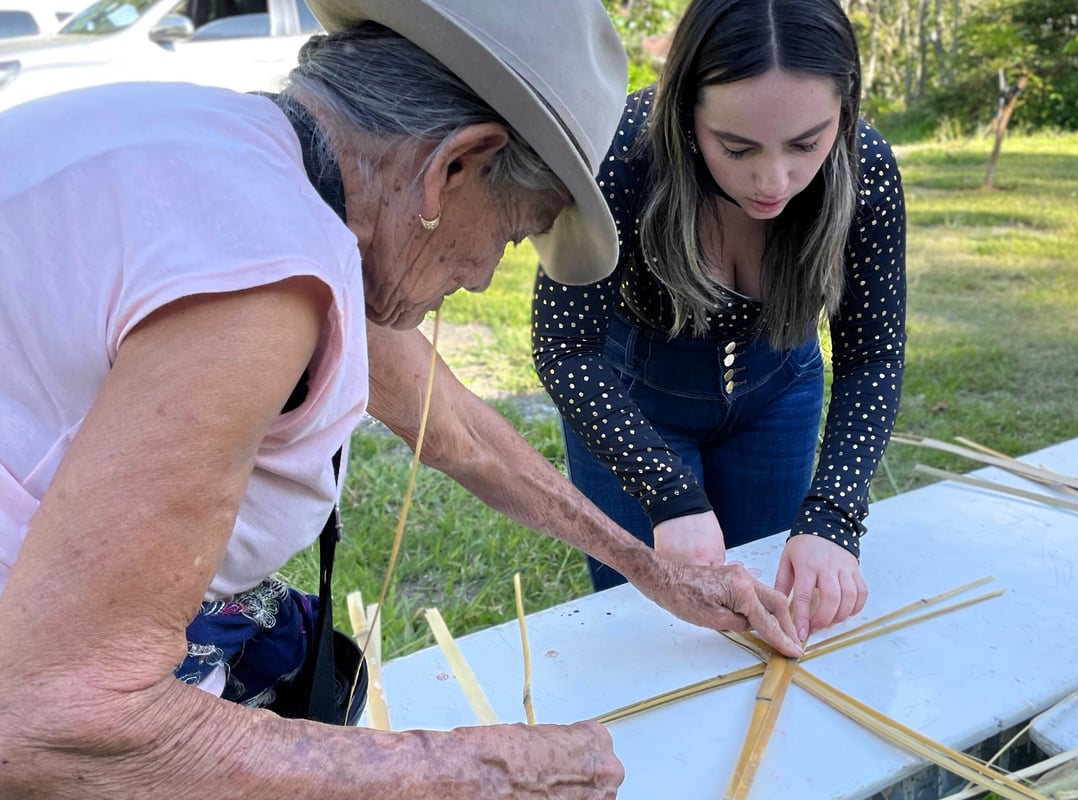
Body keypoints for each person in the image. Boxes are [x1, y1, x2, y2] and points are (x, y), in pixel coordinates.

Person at [0, 0, 806, 797]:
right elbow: (69, 719)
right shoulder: (259, 269)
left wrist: (645, 566)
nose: (486, 273)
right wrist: (466, 770)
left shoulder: (237, 158)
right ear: (455, 167)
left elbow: (451, 425)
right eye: (515, 229)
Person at [532, 0, 907, 645]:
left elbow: (872, 354)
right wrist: (666, 491)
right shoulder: (625, 151)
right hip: (630, 406)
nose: (774, 178)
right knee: (652, 635)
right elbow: (565, 344)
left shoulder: (865, 168)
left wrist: (833, 518)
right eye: (736, 147)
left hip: (777, 398)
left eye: (806, 143)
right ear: (685, 112)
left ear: (844, 109)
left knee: (771, 610)